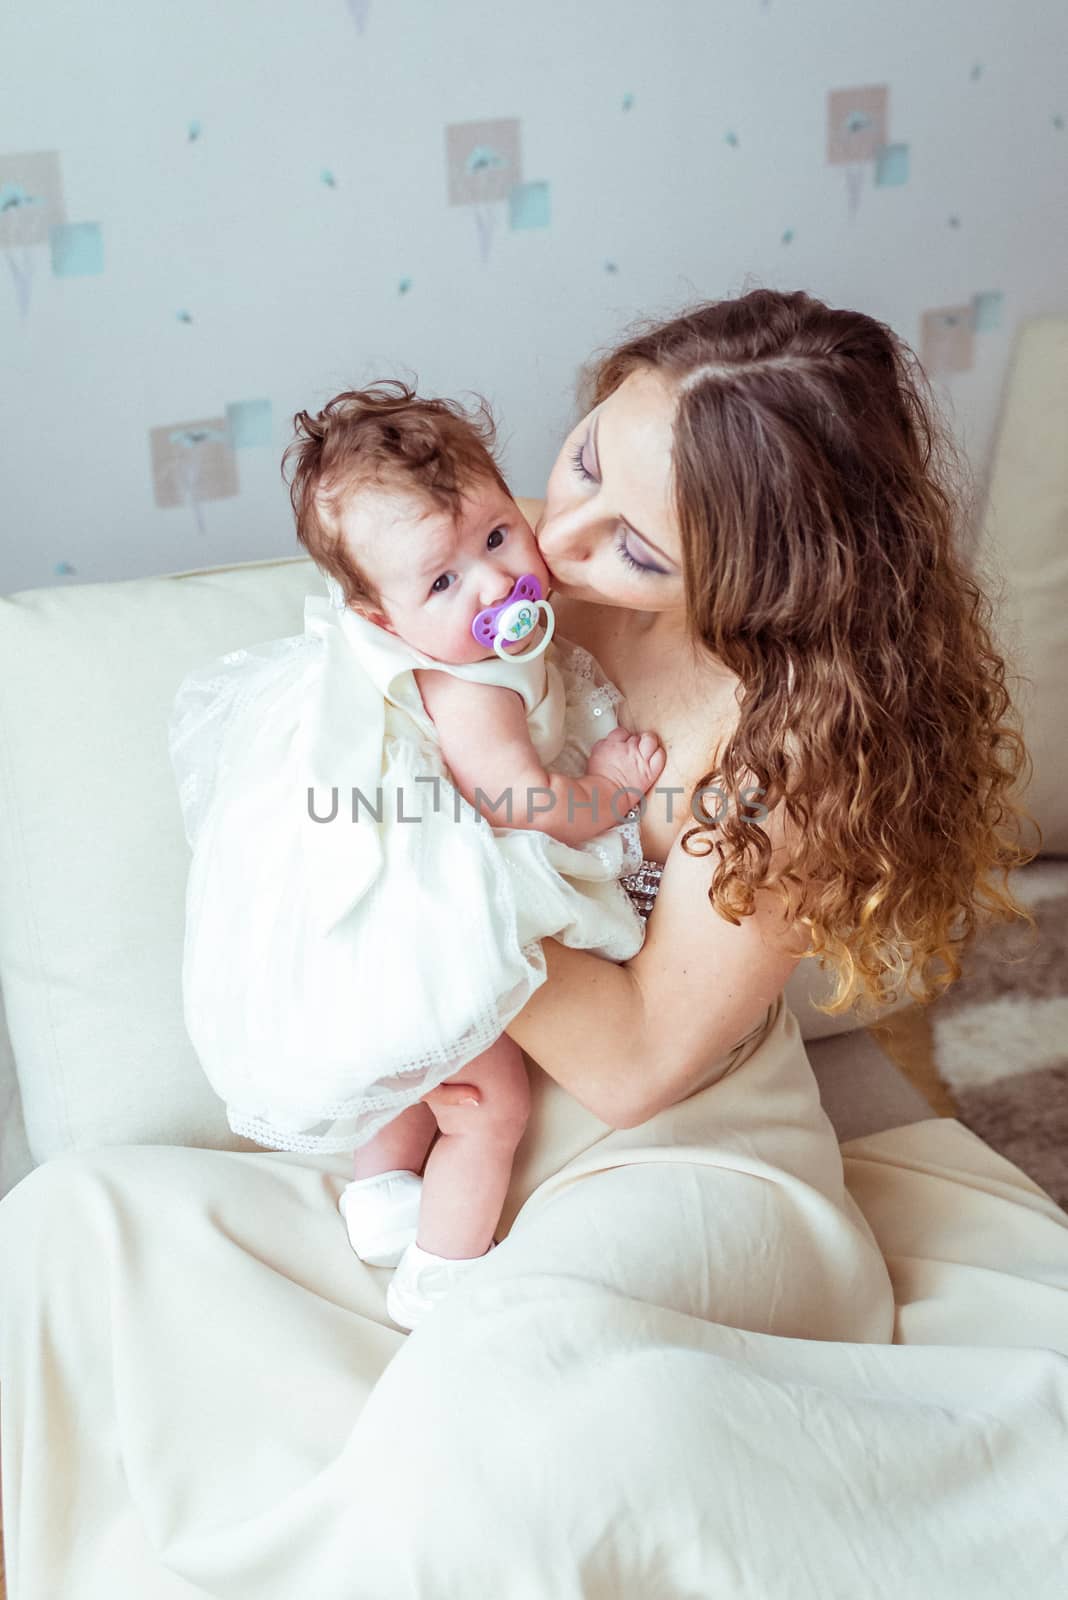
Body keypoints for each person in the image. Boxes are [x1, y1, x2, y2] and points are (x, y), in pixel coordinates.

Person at [0, 289, 1047, 1597]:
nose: (562, 541)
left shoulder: (794, 752)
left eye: (642, 549)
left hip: (680, 1163)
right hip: (462, 1141)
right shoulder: (504, 571)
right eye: (586, 461)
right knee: (74, 1228)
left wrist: (422, 883)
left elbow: (638, 1064)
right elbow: (349, 696)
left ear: (765, 575)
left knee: (518, 1400)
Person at [168, 383, 666, 1329]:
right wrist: (609, 789)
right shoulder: (470, 686)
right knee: (487, 1098)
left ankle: (380, 1191)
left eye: (494, 538)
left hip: (359, 887)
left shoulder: (459, 620)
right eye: (442, 583)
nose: (492, 588)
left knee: (402, 1056)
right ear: (384, 617)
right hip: (415, 892)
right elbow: (514, 801)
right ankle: (441, 1275)